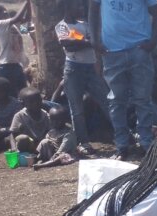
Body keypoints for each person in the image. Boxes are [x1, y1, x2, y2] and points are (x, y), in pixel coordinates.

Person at [90, 0, 157, 159]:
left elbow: (156, 13)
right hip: (111, 51)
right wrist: (94, 40)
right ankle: (122, 145)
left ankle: (146, 143)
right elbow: (93, 9)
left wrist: (152, 41)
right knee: (116, 101)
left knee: (142, 99)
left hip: (139, 50)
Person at [56, 0, 110, 148]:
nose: (81, 8)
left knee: (107, 102)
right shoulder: (62, 26)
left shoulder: (85, 25)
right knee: (76, 109)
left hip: (90, 68)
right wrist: (89, 43)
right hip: (73, 69)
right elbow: (67, 45)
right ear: (68, 7)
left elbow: (78, 43)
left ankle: (123, 135)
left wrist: (82, 42)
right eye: (77, 5)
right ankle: (83, 142)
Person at [0, 0, 31, 90]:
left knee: (22, 91)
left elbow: (27, 18)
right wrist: (26, 2)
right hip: (6, 66)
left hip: (16, 64)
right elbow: (17, 18)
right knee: (12, 92)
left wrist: (29, 5)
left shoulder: (12, 25)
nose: (4, 11)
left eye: (4, 9)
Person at [9, 87, 50, 155]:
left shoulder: (45, 114)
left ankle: (42, 156)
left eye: (38, 100)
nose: (35, 104)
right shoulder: (20, 115)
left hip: (43, 144)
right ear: (23, 103)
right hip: (29, 144)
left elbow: (50, 130)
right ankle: (26, 155)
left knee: (49, 139)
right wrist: (14, 148)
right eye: (31, 102)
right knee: (22, 138)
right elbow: (12, 134)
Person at [0, 77, 20, 150]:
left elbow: (15, 126)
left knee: (10, 139)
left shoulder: (15, 105)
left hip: (4, 132)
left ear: (3, 92)